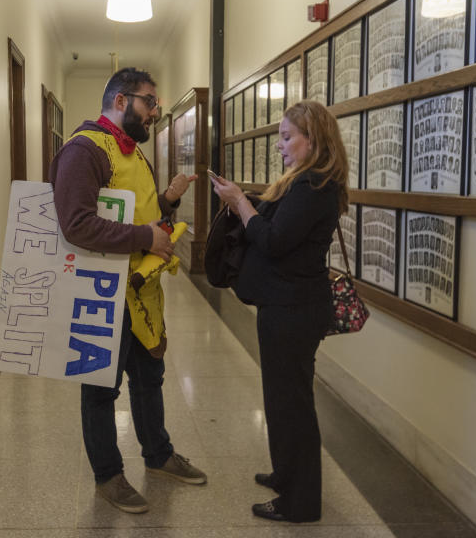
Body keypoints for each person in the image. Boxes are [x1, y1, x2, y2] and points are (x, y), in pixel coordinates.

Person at [49, 67, 206, 514]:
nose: (155, 113)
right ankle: (108, 477)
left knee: (149, 378)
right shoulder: (83, 150)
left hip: (141, 291)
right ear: (121, 101)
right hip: (101, 291)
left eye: (155, 105)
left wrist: (169, 201)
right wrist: (143, 237)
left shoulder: (134, 154)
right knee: (101, 387)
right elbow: (76, 224)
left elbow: (143, 214)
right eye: (150, 103)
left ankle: (158, 456)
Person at [209, 100, 347, 523]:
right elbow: (273, 222)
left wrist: (242, 205)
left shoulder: (314, 186)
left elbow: (274, 241)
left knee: (291, 405)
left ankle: (300, 502)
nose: (280, 146)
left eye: (288, 137)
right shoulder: (303, 183)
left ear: (314, 140)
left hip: (294, 308)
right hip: (287, 305)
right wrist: (240, 201)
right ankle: (288, 474)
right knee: (282, 399)